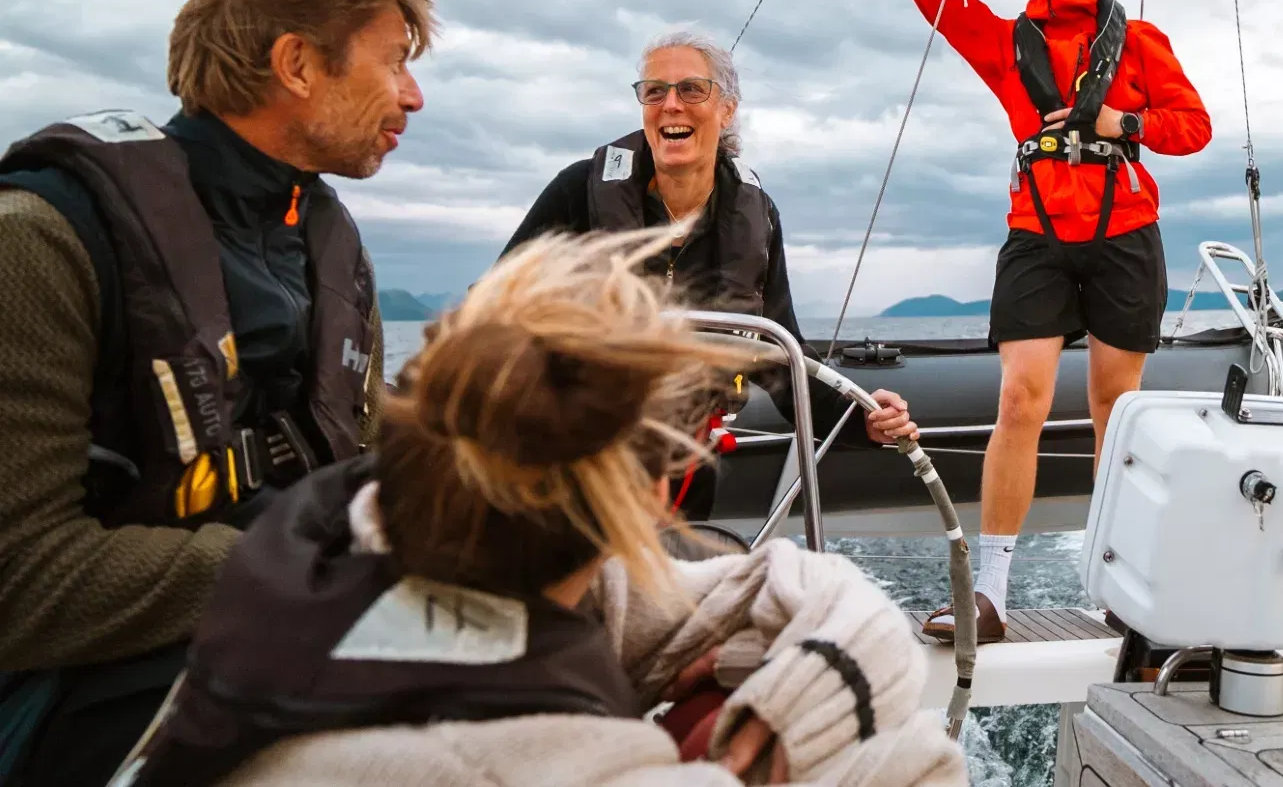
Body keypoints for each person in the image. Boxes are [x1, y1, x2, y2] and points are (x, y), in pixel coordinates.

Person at [119, 227, 965, 787]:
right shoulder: (522, 769)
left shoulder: (350, 553)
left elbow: (778, 588)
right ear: (647, 501)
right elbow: (926, 763)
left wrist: (804, 695)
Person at [0, 0, 432, 787]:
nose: (413, 96)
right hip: (87, 701)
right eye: (393, 61)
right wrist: (332, 571)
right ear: (298, 64)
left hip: (297, 637)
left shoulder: (325, 243)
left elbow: (375, 444)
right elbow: (21, 579)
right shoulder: (45, 239)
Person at [911, 0, 1211, 644]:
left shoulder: (1140, 38)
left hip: (1125, 233)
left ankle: (1121, 585)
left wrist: (1122, 122)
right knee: (1020, 400)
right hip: (1037, 234)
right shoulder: (1006, 43)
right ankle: (994, 594)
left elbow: (1194, 127)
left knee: (1116, 406)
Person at [502, 26, 915, 456]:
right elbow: (490, 312)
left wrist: (862, 418)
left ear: (727, 110)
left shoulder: (757, 216)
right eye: (654, 91)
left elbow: (780, 355)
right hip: (576, 450)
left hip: (688, 459)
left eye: (692, 90)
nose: (672, 105)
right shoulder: (578, 194)